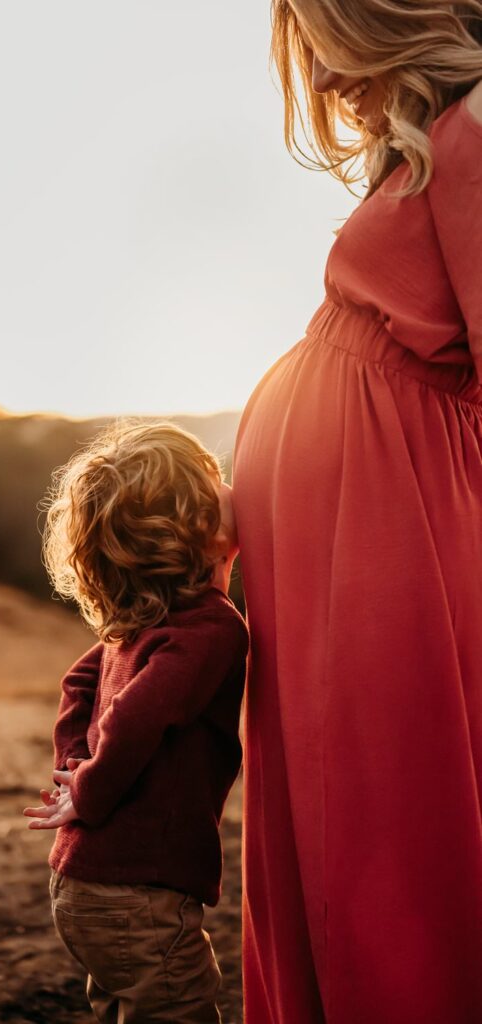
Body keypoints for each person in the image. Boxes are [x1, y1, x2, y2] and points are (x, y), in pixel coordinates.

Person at [232, 2, 482, 1022]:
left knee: (380, 811)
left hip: (391, 526)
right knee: (334, 813)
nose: (329, 87)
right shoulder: (440, 138)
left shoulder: (475, 132)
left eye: (330, 52)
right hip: (344, 525)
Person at [23, 420, 249, 1023]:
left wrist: (74, 767)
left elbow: (78, 684)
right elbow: (134, 718)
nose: (233, 485)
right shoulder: (212, 629)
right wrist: (90, 790)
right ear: (198, 522)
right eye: (215, 479)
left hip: (82, 885)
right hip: (138, 893)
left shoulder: (139, 624)